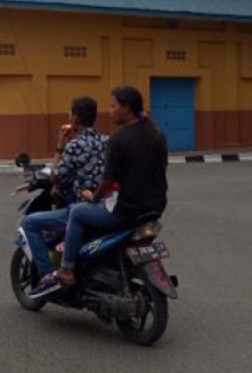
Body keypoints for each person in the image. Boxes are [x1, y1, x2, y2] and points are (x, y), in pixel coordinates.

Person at [51, 86, 167, 289]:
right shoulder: (156, 134)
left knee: (78, 212)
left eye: (113, 106)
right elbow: (162, 167)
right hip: (155, 207)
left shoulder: (118, 140)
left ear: (127, 107)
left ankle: (67, 269)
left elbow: (106, 181)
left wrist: (93, 197)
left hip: (127, 210)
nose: (110, 111)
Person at [24, 96, 108, 297]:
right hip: (105, 205)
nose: (69, 117)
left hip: (81, 208)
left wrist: (61, 145)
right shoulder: (108, 141)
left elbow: (56, 176)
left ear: (76, 118)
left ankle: (48, 277)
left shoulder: (74, 145)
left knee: (30, 223)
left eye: (70, 113)